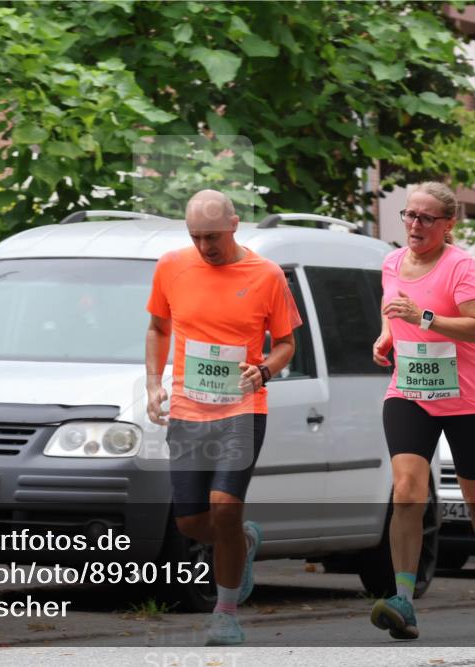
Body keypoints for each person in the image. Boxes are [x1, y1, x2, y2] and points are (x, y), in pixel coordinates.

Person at [145, 189, 301, 646]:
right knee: (191, 524)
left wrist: (265, 369)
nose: (204, 247)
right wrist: (154, 383)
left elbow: (288, 343)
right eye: (195, 237)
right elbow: (158, 328)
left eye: (212, 236)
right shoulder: (171, 266)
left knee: (224, 506)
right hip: (189, 409)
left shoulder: (266, 275)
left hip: (242, 407)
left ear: (234, 225)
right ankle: (242, 543)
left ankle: (226, 613)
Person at [370, 182, 475, 640]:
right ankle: (404, 601)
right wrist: (388, 335)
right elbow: (394, 309)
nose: (414, 225)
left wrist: (424, 319)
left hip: (469, 398)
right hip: (410, 391)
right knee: (408, 488)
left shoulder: (460, 267)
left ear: (448, 225)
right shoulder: (392, 262)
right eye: (409, 215)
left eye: (426, 218)